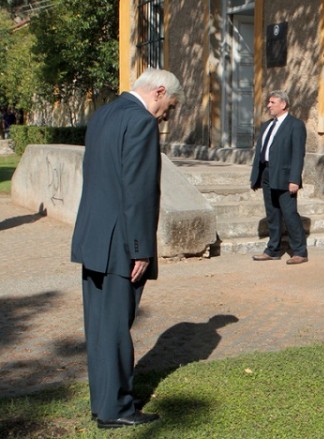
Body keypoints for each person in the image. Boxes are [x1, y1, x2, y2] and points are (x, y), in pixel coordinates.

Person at [71, 68, 183, 429]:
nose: (167, 113)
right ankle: (117, 409)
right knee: (116, 327)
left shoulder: (104, 114)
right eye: (170, 105)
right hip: (121, 244)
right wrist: (140, 249)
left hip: (94, 238)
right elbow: (138, 191)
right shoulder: (141, 122)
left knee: (102, 327)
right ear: (159, 92)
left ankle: (104, 403)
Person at [249, 90, 309, 265]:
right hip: (267, 173)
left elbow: (298, 154)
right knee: (272, 213)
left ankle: (299, 251)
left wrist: (294, 180)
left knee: (289, 213)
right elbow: (261, 151)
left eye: (272, 102)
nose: (268, 105)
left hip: (285, 176)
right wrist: (256, 176)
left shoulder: (295, 125)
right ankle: (273, 250)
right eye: (269, 102)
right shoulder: (267, 125)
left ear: (283, 104)